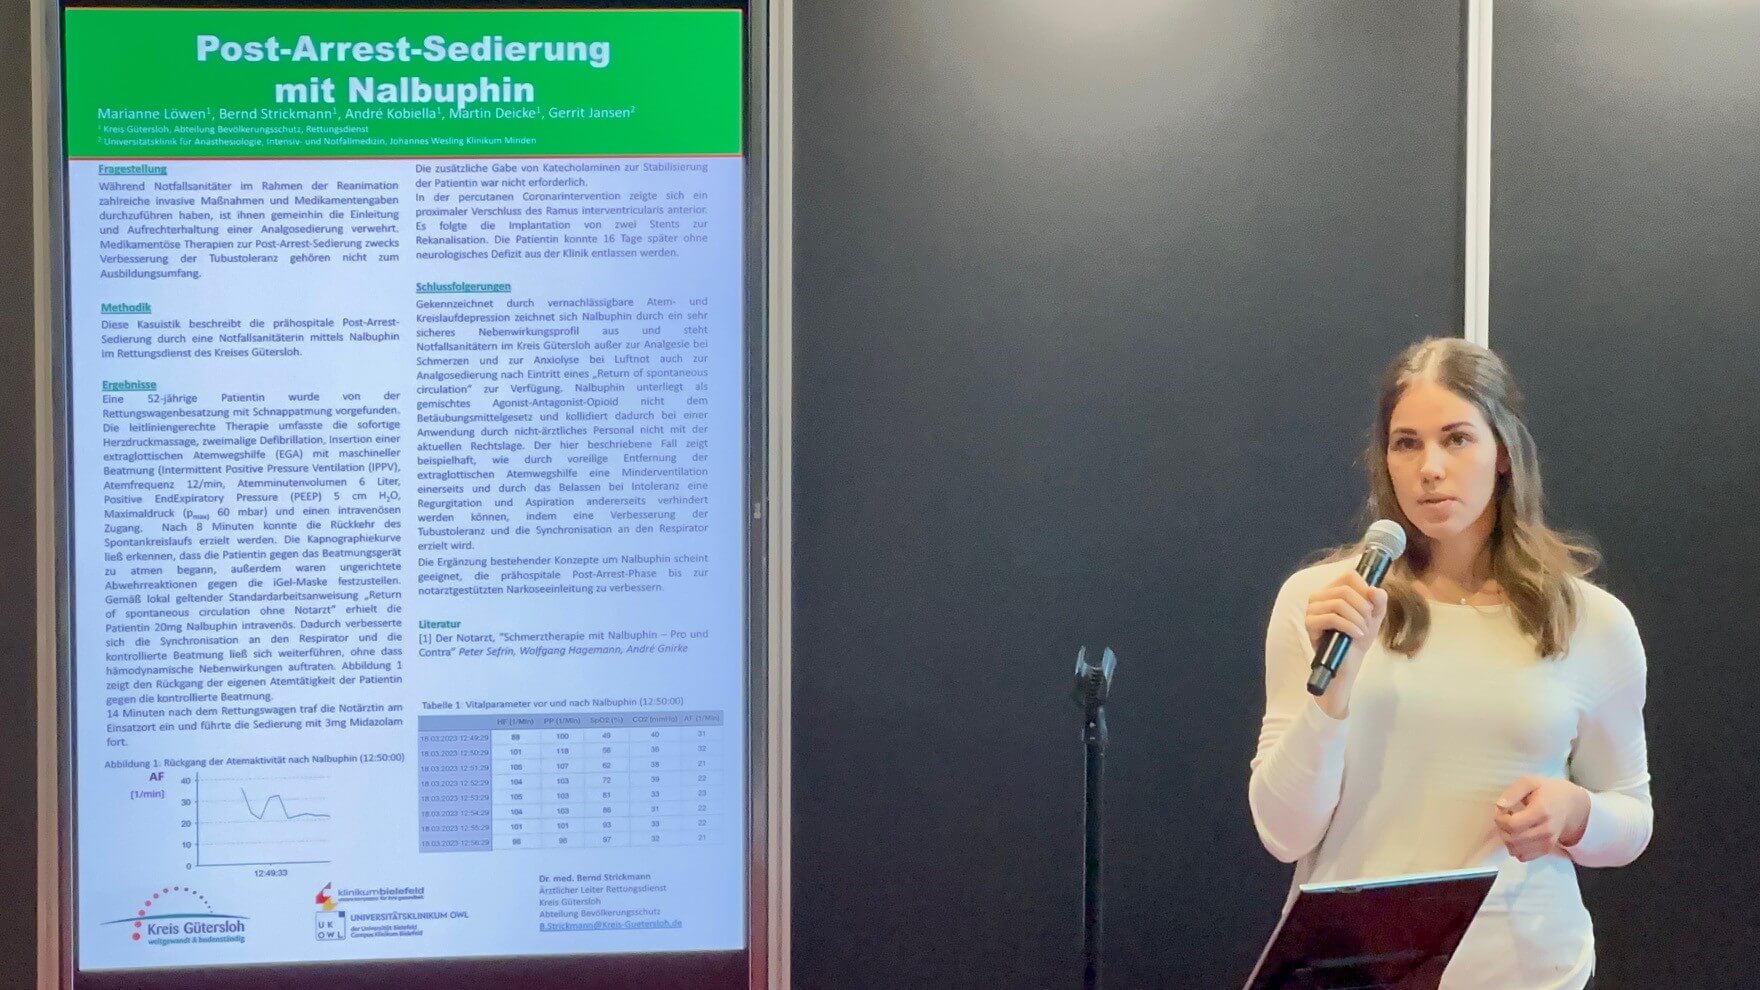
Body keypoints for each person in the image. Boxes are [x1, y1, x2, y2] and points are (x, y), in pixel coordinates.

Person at [1247, 338, 1653, 990]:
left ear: (1503, 453)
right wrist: (1333, 694)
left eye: (1457, 439)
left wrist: (1576, 813)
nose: (1430, 468)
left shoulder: (1591, 621)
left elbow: (1632, 816)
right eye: (1406, 444)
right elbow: (1283, 832)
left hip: (1527, 971)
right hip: (1356, 973)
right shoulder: (1324, 603)